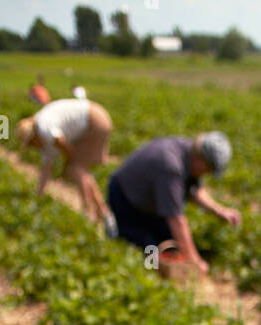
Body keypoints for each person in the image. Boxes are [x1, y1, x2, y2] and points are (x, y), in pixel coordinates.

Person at [106, 132, 240, 275]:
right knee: (150, 252)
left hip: (151, 203)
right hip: (126, 200)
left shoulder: (189, 152)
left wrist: (219, 210)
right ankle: (117, 230)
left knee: (170, 241)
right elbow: (176, 220)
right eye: (208, 170)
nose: (206, 174)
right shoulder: (171, 167)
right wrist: (194, 261)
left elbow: (194, 190)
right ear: (201, 160)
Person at [17, 98, 115, 231]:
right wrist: (38, 195)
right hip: (95, 119)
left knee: (75, 168)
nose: (32, 147)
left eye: (30, 144)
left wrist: (66, 166)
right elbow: (46, 170)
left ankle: (90, 214)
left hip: (94, 120)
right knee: (80, 170)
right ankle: (104, 214)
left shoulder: (43, 127)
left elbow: (65, 146)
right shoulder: (43, 139)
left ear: (32, 137)